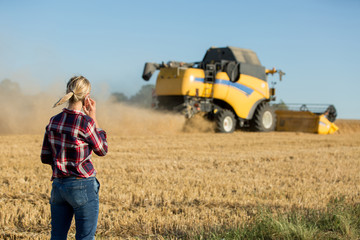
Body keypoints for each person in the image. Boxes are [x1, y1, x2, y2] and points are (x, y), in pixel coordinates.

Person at [41, 76, 108, 240]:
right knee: (84, 237)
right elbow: (102, 149)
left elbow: (45, 156)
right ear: (87, 97)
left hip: (58, 185)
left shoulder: (54, 121)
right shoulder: (86, 122)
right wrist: (93, 117)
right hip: (82, 185)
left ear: (68, 92)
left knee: (57, 236)